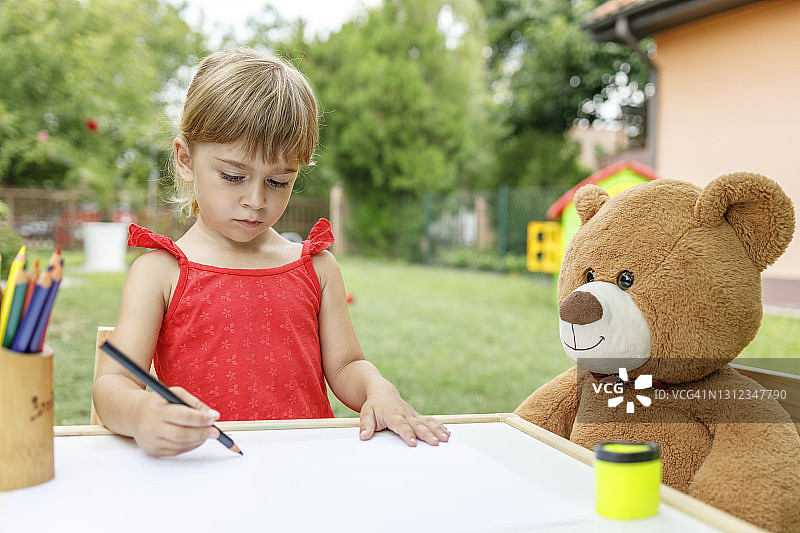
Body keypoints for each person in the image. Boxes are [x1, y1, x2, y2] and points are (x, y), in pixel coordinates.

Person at [92, 47, 450, 457]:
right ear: (186, 160)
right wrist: (141, 413)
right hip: (203, 471)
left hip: (305, 469)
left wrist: (377, 388)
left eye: (278, 181)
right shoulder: (160, 272)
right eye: (233, 176)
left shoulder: (316, 267)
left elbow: (347, 365)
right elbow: (113, 385)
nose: (255, 200)